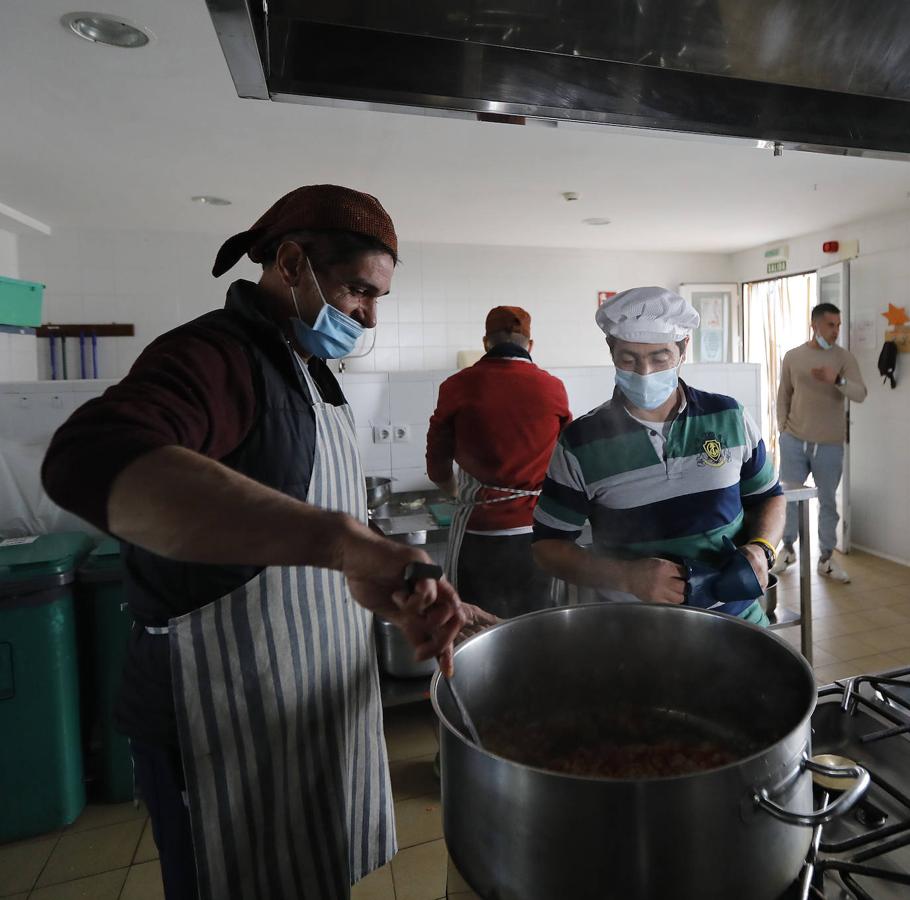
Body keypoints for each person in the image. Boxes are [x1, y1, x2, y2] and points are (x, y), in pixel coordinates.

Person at [40, 185, 490, 900]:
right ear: (290, 262)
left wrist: (388, 576)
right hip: (216, 715)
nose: (370, 316)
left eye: (378, 298)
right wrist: (343, 543)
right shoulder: (215, 357)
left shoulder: (312, 373)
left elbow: (314, 513)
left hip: (298, 705)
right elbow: (86, 458)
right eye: (357, 292)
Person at [532, 286, 785, 625]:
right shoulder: (580, 442)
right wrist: (626, 577)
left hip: (739, 624)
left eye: (659, 357)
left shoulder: (729, 417)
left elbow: (769, 496)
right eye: (629, 359)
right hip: (635, 636)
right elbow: (548, 548)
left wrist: (761, 547)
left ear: (683, 351)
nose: (645, 372)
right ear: (611, 352)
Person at [426, 305, 571, 618]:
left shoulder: (457, 386)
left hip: (479, 531)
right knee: (535, 628)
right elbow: (569, 457)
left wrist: (455, 493)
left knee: (474, 628)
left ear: (485, 342)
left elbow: (436, 467)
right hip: (537, 535)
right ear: (530, 345)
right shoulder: (553, 388)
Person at [773, 301, 867, 582]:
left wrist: (836, 379)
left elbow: (860, 393)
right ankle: (787, 550)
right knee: (786, 499)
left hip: (829, 444)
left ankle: (826, 558)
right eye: (830, 325)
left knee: (827, 502)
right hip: (794, 441)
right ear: (814, 325)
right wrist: (782, 430)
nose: (836, 330)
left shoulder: (844, 358)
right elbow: (784, 395)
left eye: (838, 325)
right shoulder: (793, 356)